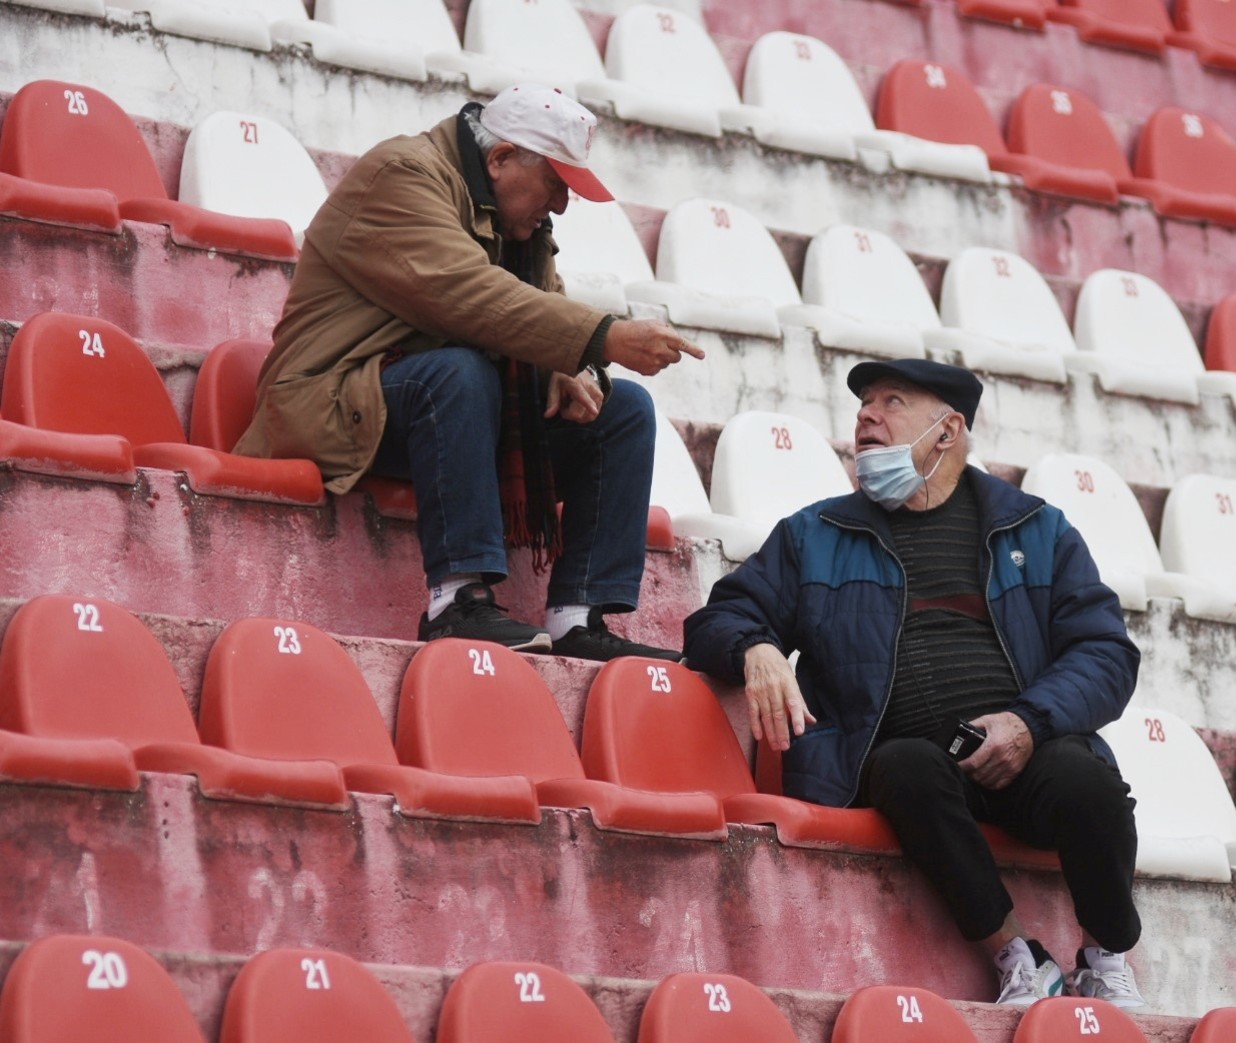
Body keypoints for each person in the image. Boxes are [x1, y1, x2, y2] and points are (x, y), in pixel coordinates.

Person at [683, 359, 1148, 1009]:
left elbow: (1104, 652)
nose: (865, 415)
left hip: (1024, 742)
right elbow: (715, 620)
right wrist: (755, 645)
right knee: (905, 765)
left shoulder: (1036, 529)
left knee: (1087, 779)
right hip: (904, 763)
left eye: (891, 400)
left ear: (947, 431)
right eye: (863, 404)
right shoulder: (816, 534)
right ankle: (1017, 954)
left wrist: (1027, 722)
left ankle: (1106, 954)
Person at [235, 83, 702, 660]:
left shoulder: (520, 227)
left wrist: (567, 369)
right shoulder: (400, 175)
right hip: (326, 402)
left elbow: (537, 315)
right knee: (458, 373)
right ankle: (455, 604)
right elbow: (467, 296)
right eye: (556, 184)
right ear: (501, 159)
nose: (560, 205)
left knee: (623, 410)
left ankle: (578, 619)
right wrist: (602, 335)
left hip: (431, 413)